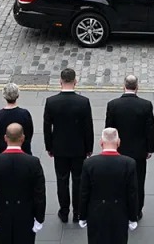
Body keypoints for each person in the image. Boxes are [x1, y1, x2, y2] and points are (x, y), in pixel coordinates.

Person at [0, 123, 46, 244]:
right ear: (22, 138)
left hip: (3, 213)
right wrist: (39, 218)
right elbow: (39, 193)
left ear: (5, 138)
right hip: (26, 213)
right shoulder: (33, 163)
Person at [43, 67, 93, 223]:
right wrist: (89, 148)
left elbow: (47, 128)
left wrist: (49, 147)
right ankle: (78, 212)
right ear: (75, 82)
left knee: (62, 180)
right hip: (79, 149)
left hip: (60, 148)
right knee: (78, 180)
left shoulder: (51, 102)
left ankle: (64, 211)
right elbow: (88, 128)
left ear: (60, 82)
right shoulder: (83, 102)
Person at [104, 75, 154, 218]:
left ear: (123, 86)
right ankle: (137, 211)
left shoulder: (113, 105)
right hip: (139, 151)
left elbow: (109, 129)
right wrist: (150, 148)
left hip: (119, 150)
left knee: (119, 180)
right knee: (138, 181)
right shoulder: (146, 105)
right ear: (137, 87)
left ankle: (121, 208)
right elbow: (149, 129)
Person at [79, 128, 139, 244]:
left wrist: (83, 215)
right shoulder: (129, 164)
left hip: (96, 213)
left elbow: (84, 193)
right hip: (119, 213)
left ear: (101, 142)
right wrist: (133, 217)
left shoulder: (89, 164)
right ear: (118, 142)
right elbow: (132, 193)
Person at [0, 83, 34, 154]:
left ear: (4, 96)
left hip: (5, 151)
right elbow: (29, 133)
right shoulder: (24, 113)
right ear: (18, 95)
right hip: (23, 150)